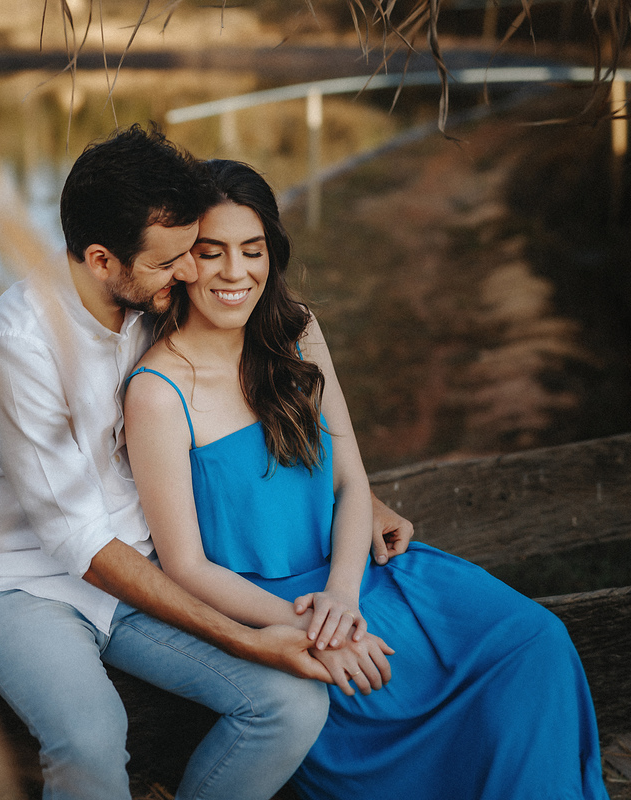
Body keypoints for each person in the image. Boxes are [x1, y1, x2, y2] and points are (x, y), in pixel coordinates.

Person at [0, 125, 414, 800]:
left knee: (290, 704)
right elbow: (81, 544)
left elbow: (249, 387)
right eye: (173, 262)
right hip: (27, 585)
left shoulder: (146, 299)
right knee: (92, 742)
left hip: (145, 570)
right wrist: (258, 635)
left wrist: (354, 495)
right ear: (103, 260)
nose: (191, 272)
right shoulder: (20, 350)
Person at [123, 159, 608, 800]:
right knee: (386, 696)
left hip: (358, 577)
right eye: (211, 254)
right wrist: (311, 629)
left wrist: (344, 599)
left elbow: (352, 484)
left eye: (253, 250)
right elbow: (185, 567)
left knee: (533, 642)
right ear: (182, 262)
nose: (235, 273)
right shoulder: (157, 391)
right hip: (272, 609)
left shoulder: (297, 332)